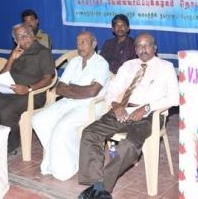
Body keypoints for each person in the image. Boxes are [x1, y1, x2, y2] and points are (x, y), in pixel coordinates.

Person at [77, 33, 179, 198]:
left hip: (150, 114)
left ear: (155, 47)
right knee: (90, 133)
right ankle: (97, 184)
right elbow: (113, 89)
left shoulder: (166, 67)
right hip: (122, 110)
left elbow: (174, 98)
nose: (143, 49)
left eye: (147, 45)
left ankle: (102, 186)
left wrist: (146, 108)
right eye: (139, 46)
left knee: (129, 145)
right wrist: (116, 105)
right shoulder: (128, 65)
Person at [32, 31, 109, 181]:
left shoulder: (101, 63)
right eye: (78, 42)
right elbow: (60, 88)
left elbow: (93, 91)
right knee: (38, 120)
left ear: (94, 44)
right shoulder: (74, 62)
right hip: (68, 101)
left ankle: (67, 168)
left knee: (62, 126)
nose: (79, 46)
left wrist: (71, 88)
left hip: (90, 106)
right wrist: (79, 90)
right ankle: (55, 156)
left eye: (83, 42)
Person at [0, 23, 55, 154]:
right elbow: (2, 75)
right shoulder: (17, 52)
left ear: (32, 35)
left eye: (26, 34)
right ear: (15, 41)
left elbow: (48, 78)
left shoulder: (43, 52)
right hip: (10, 91)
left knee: (6, 113)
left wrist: (29, 88)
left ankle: (12, 146)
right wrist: (12, 59)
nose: (24, 38)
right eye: (19, 37)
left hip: (33, 94)